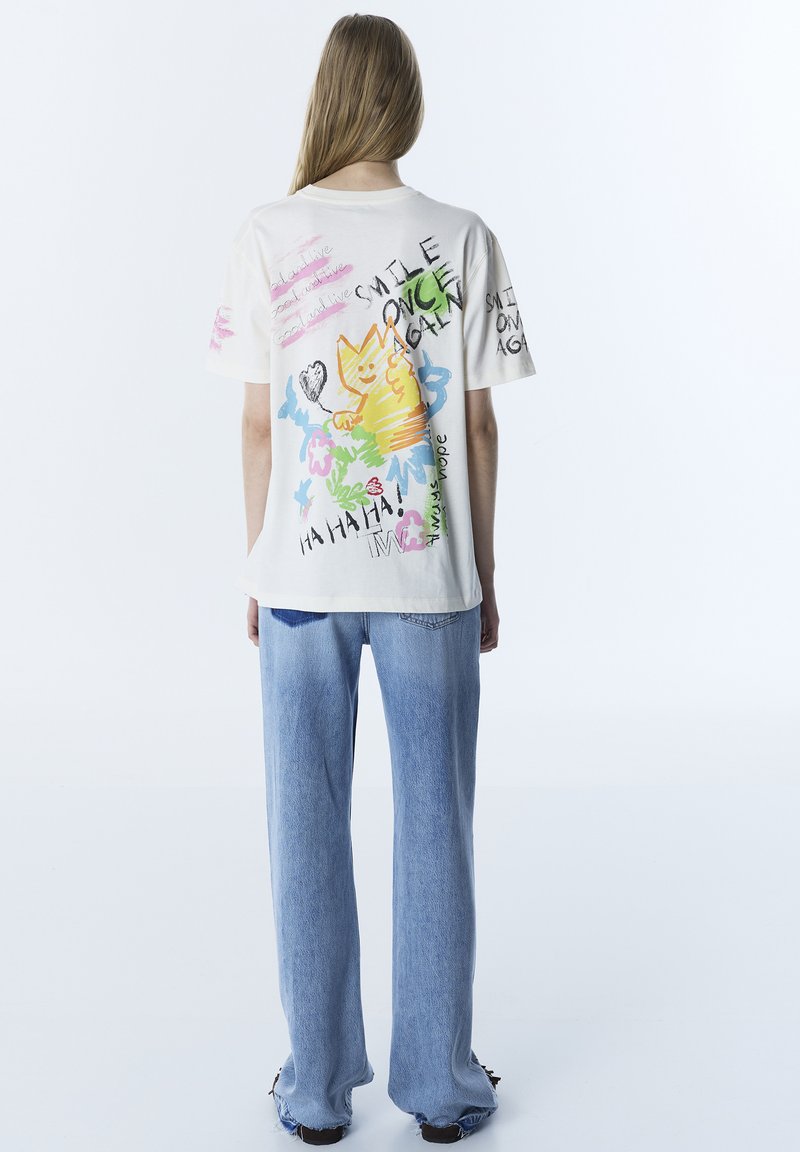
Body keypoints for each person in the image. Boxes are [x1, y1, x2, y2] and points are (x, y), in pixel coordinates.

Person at [205, 13, 535, 1145]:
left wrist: (259, 564)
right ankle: (440, 1085)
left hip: (299, 579)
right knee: (435, 822)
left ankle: (313, 1091)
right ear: (407, 100)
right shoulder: (461, 237)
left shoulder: (266, 233)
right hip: (427, 581)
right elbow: (477, 429)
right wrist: (483, 571)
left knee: (304, 825)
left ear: (329, 97)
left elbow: (259, 426)